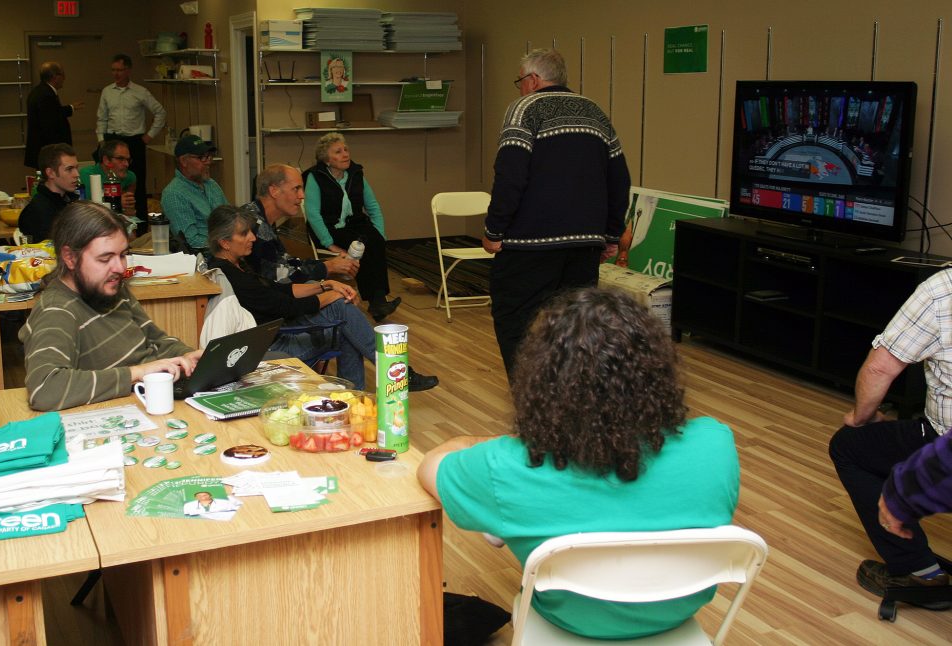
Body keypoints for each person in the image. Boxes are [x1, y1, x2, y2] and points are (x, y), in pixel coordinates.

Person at [417, 287, 739, 640]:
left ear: (542, 379)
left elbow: (430, 467)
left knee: (502, 508)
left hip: (568, 626)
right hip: (675, 620)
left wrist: (485, 445)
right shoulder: (715, 443)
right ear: (656, 370)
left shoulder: (508, 464)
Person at [483, 48, 631, 375]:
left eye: (519, 80)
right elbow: (620, 179)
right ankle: (573, 397)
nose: (519, 87)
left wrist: (494, 231)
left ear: (533, 79)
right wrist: (610, 234)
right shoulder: (595, 112)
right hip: (584, 244)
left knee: (514, 318)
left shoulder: (523, 109)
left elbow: (510, 176)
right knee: (578, 324)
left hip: (530, 243)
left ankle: (530, 397)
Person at [206, 203, 438, 392]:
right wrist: (331, 296)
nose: (252, 238)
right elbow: (284, 306)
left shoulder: (234, 265)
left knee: (344, 320)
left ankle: (357, 397)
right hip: (272, 346)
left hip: (275, 333)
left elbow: (279, 290)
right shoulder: (232, 276)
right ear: (225, 242)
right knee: (341, 311)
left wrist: (324, 285)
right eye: (244, 234)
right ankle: (394, 376)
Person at [830, 269, 952, 610]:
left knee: (849, 447)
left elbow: (880, 369)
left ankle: (919, 573)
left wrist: (861, 418)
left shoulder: (942, 290)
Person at [19, 201, 202, 411]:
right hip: (123, 412)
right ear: (70, 257)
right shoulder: (56, 310)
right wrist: (137, 373)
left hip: (150, 398)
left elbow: (156, 340)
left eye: (123, 255)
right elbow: (44, 389)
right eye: (105, 259)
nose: (119, 268)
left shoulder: (109, 287)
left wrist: (186, 356)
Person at [303, 132, 400, 321]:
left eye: (346, 149)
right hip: (329, 228)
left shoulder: (355, 173)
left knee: (374, 241)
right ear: (326, 159)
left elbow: (372, 205)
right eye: (338, 152)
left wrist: (380, 234)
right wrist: (329, 244)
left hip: (355, 224)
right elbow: (313, 214)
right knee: (361, 245)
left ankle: (378, 301)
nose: (345, 154)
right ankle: (376, 302)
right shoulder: (315, 177)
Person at [241, 163, 360, 285]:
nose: (302, 196)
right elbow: (279, 277)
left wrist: (330, 263)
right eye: (296, 189)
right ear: (274, 191)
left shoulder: (258, 217)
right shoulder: (254, 225)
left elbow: (286, 263)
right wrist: (328, 267)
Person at [96, 53, 166, 219]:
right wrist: (101, 140)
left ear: (128, 70)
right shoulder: (107, 92)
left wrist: (149, 136)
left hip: (134, 141)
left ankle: (140, 225)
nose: (116, 74)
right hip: (111, 140)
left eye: (120, 70)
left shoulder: (140, 92)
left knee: (138, 185)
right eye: (113, 70)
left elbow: (160, 112)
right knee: (108, 184)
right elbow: (102, 117)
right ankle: (109, 219)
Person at [161, 134, 227, 253]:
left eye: (209, 157)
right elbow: (191, 242)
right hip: (202, 260)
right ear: (184, 161)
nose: (208, 162)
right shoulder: (174, 194)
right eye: (202, 157)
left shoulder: (212, 184)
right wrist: (227, 245)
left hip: (227, 252)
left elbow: (230, 219)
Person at [25, 61, 83, 170]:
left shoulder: (39, 91)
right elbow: (50, 120)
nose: (64, 78)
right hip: (48, 150)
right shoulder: (46, 94)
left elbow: (52, 112)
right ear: (55, 77)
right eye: (62, 74)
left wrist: (70, 108)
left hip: (43, 148)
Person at [18, 143, 80, 243]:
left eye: (77, 168)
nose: (77, 174)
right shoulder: (37, 212)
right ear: (51, 173)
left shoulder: (69, 201)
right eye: (69, 169)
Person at [78, 138, 137, 217]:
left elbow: (129, 212)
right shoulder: (86, 175)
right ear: (106, 160)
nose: (126, 164)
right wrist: (116, 202)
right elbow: (86, 210)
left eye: (128, 160)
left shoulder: (130, 177)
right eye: (121, 159)